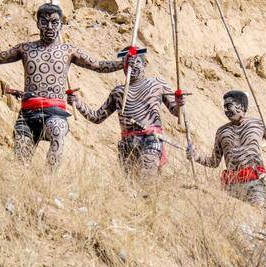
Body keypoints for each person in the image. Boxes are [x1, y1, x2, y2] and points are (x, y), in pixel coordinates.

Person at [0, 3, 122, 167]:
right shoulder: (25, 49)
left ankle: (49, 183)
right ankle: (29, 188)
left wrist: (123, 63)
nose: (49, 26)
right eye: (44, 22)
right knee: (21, 161)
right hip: (28, 113)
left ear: (61, 24)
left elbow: (98, 65)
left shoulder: (68, 51)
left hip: (55, 112)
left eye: (54, 22)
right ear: (38, 23)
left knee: (57, 129)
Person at [67, 46, 184, 179]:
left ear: (144, 64)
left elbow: (175, 112)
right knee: (132, 186)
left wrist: (179, 103)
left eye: (136, 63)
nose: (132, 68)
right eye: (127, 65)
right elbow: (97, 117)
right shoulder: (118, 92)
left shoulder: (157, 84)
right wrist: (78, 103)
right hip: (127, 143)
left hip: (151, 139)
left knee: (147, 174)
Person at [186, 90, 266, 206]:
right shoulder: (222, 132)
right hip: (231, 185)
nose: (226, 111)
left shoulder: (259, 124)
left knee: (257, 211)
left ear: (240, 106)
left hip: (255, 181)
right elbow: (214, 162)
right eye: (224, 107)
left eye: (228, 106)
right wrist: (196, 156)